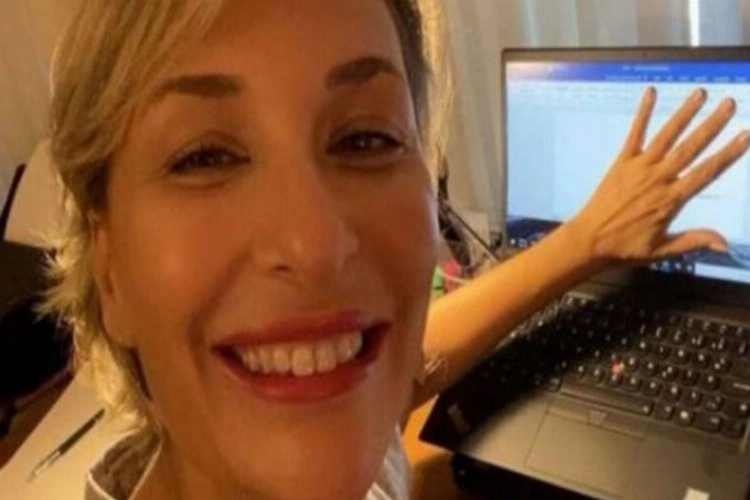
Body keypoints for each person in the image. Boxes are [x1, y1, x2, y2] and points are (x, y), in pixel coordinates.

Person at [42, 0, 749, 499]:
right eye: (204, 157)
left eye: (365, 138)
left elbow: (402, 362)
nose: (316, 245)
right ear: (108, 269)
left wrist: (584, 241)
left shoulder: (348, 423)